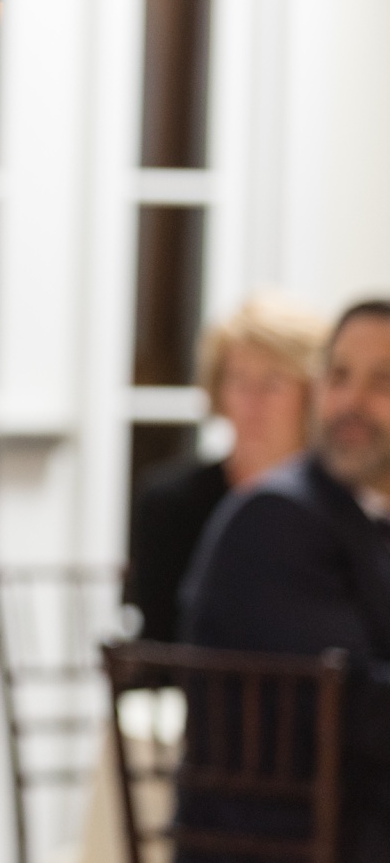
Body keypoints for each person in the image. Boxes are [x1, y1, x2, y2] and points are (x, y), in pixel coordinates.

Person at [181, 300, 390, 861]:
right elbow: (361, 717)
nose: (352, 403)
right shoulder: (277, 519)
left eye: (382, 382)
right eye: (340, 375)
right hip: (281, 843)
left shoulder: (361, 514)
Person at [126, 295, 326, 641]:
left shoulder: (339, 506)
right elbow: (161, 641)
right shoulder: (171, 503)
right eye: (237, 381)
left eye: (274, 383)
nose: (252, 403)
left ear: (312, 396)